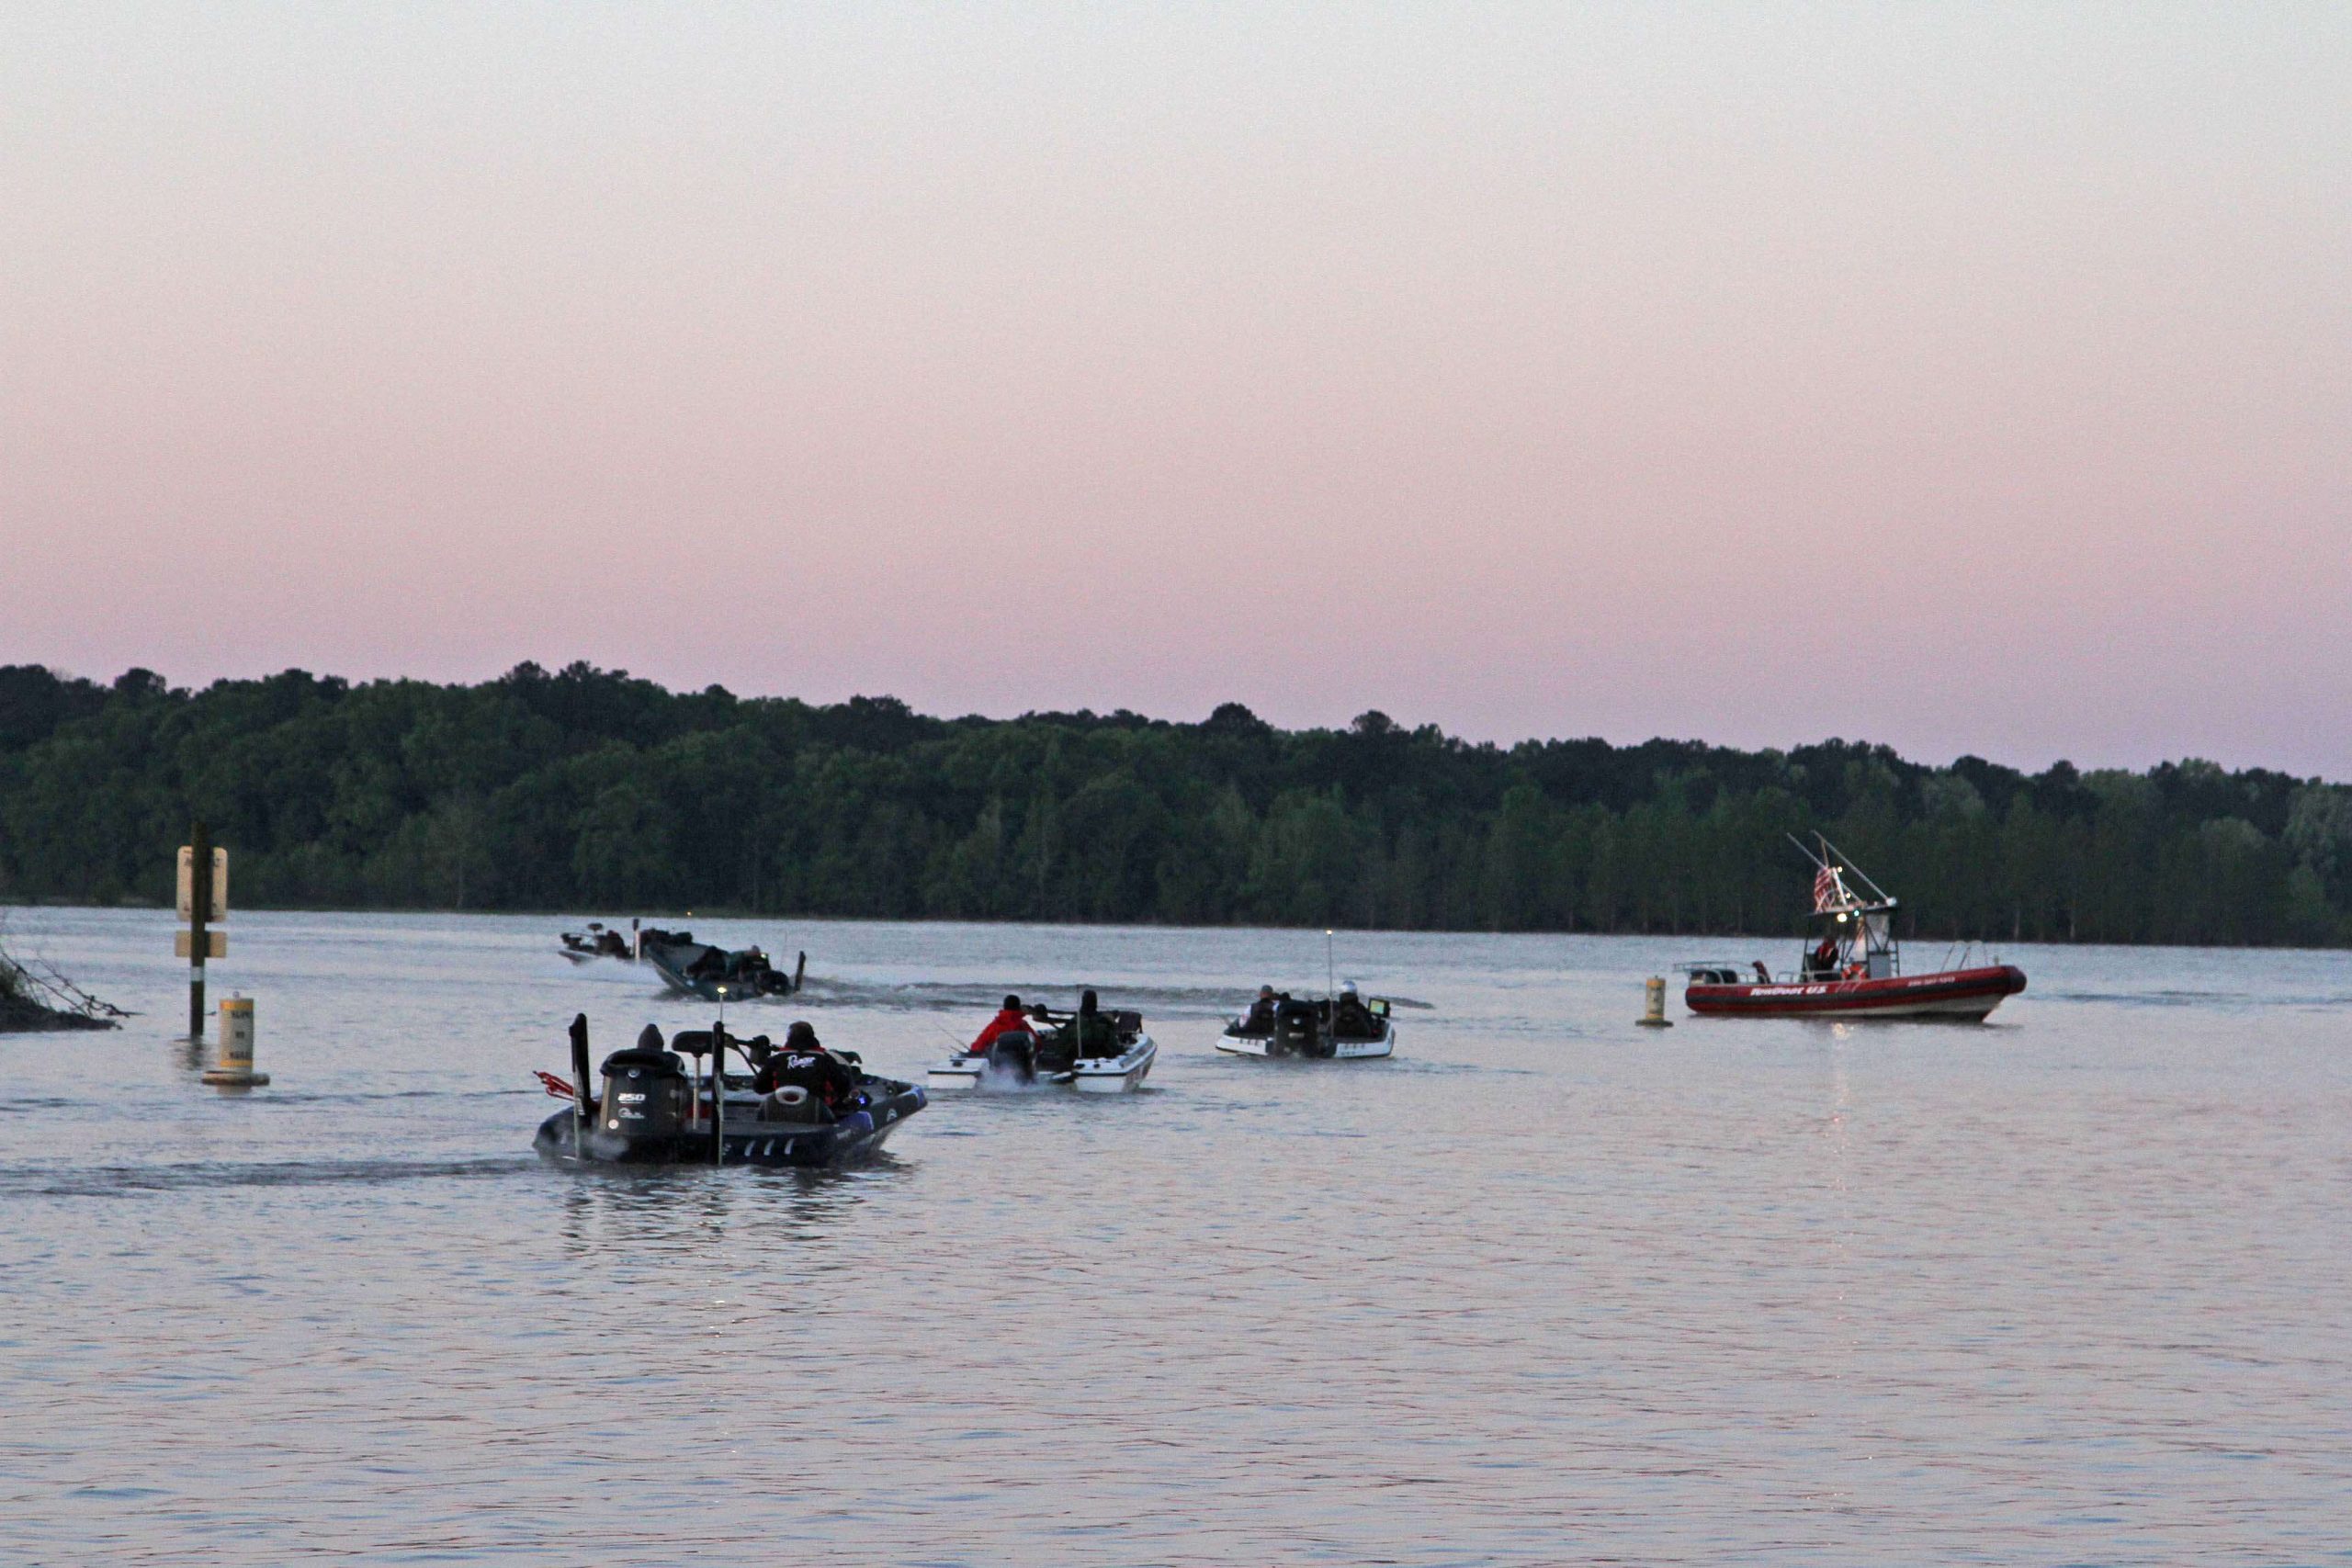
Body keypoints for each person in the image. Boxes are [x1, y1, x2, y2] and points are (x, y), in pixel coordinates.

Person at [753, 1020, 860, 1113]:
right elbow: (843, 1086)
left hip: (779, 1110)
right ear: (812, 1036)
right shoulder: (825, 1059)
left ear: (789, 1038)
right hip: (817, 1113)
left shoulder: (776, 1060)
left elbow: (759, 1087)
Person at [967, 994, 1035, 1055]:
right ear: (1018, 1008)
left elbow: (980, 1043)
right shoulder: (1023, 1024)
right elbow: (1037, 1043)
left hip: (998, 1061)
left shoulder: (996, 1024)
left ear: (1004, 1007)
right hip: (1020, 1060)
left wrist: (973, 1051)